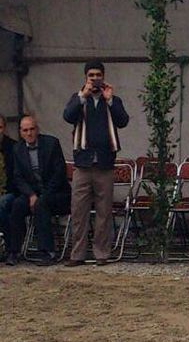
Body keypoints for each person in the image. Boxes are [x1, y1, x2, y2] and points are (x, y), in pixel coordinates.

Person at [61, 60, 130, 266]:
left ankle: (101, 253)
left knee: (103, 211)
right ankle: (78, 254)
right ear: (85, 78)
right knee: (79, 211)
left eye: (98, 75)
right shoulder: (78, 98)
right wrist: (82, 96)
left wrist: (109, 100)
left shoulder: (113, 99)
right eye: (91, 75)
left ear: (103, 76)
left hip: (105, 164)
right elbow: (67, 116)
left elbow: (123, 121)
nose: (94, 79)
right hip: (82, 164)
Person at [7, 115, 70, 265]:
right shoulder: (18, 149)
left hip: (57, 193)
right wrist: (31, 194)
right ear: (21, 132)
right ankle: (13, 251)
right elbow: (18, 177)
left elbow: (59, 173)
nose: (29, 133)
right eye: (25, 130)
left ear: (37, 129)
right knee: (17, 205)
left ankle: (47, 251)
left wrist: (43, 195)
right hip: (33, 193)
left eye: (32, 129)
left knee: (42, 204)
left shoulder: (51, 143)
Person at [0, 116, 17, 260]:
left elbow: (18, 176)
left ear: (4, 128)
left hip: (10, 191)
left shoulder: (13, 147)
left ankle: (11, 248)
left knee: (2, 204)